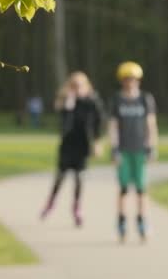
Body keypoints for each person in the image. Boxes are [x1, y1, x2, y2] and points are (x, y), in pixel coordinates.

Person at [40, 72, 104, 227]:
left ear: (86, 86)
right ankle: (50, 202)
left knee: (79, 178)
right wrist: (68, 107)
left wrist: (97, 142)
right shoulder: (66, 103)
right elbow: (63, 127)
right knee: (60, 177)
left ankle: (76, 208)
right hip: (67, 145)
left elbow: (100, 122)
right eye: (74, 86)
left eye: (80, 85)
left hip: (83, 146)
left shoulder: (92, 102)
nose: (77, 89)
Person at [109, 61, 158, 243]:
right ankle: (121, 222)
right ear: (122, 81)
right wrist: (114, 148)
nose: (130, 83)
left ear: (138, 80)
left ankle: (142, 221)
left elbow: (151, 125)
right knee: (123, 189)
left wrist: (151, 147)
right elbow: (113, 126)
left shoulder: (145, 99)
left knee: (141, 189)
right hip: (123, 150)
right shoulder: (117, 100)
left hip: (140, 150)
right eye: (127, 79)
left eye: (133, 79)